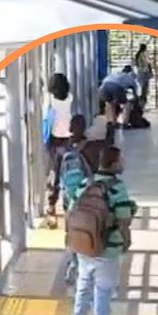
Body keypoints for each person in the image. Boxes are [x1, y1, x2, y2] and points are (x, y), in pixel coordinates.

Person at [70, 145, 135, 315]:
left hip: (84, 244)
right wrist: (126, 240)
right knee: (103, 291)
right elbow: (123, 220)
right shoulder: (117, 187)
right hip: (107, 246)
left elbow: (72, 210)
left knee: (83, 287)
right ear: (114, 164)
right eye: (121, 160)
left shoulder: (85, 183)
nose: (123, 163)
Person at [59, 114, 92, 285]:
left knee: (72, 232)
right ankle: (83, 265)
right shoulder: (90, 148)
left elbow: (58, 176)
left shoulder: (64, 149)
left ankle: (74, 264)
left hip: (69, 201)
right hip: (86, 200)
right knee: (87, 231)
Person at [42, 73, 74, 227]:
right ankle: (69, 205)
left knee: (53, 172)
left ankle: (51, 206)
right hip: (67, 138)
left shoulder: (49, 99)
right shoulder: (70, 98)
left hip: (53, 140)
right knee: (67, 170)